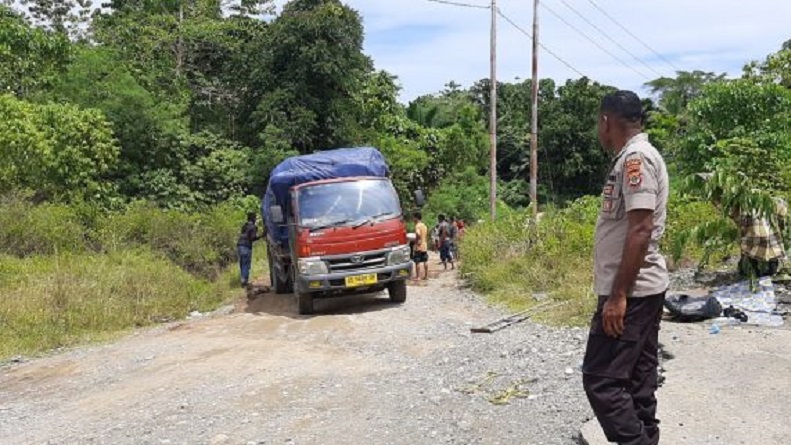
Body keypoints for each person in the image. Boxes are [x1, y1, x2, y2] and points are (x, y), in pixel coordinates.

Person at [582, 90, 669, 445]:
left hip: (631, 292)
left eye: (598, 123)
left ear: (606, 121)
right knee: (637, 377)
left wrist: (618, 296)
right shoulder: (635, 156)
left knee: (601, 379)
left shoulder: (635, 159)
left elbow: (640, 227)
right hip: (642, 290)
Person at [237, 212, 263, 288]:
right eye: (255, 218)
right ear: (253, 218)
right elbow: (252, 238)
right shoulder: (253, 227)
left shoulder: (244, 226)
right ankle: (244, 281)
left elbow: (244, 235)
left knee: (242, 264)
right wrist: (261, 235)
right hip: (246, 247)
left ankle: (243, 280)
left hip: (239, 245)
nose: (255, 219)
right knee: (246, 264)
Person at [412, 212, 429, 281]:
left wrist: (417, 242)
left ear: (416, 218)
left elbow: (418, 234)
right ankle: (426, 276)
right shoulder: (424, 225)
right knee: (425, 260)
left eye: (413, 218)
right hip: (424, 245)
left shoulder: (417, 226)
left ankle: (418, 276)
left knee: (417, 261)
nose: (413, 219)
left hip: (419, 246)